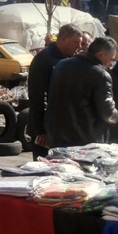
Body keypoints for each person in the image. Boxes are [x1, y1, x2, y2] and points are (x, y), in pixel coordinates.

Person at [45, 36, 118, 148]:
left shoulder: (61, 65)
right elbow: (107, 114)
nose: (111, 64)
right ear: (100, 55)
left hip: (57, 139)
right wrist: (117, 115)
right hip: (86, 143)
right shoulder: (101, 75)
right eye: (112, 59)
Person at [26, 23, 83, 159]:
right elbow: (38, 96)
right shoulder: (45, 59)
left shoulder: (68, 59)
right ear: (63, 39)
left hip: (61, 129)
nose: (79, 47)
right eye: (76, 42)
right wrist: (41, 130)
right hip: (46, 130)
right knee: (44, 169)